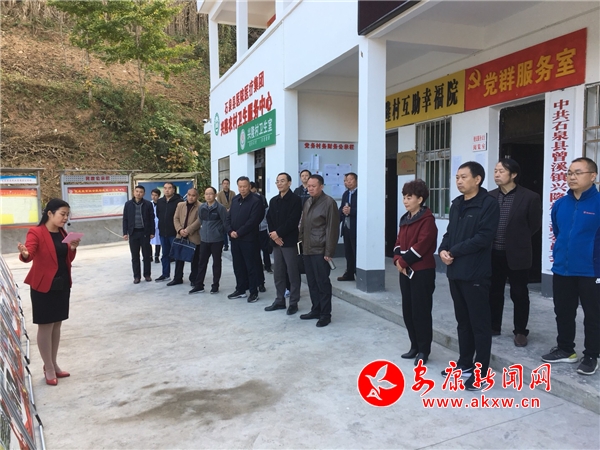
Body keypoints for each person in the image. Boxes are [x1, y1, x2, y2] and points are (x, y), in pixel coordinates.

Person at [438, 161, 499, 390]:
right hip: (455, 272)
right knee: (463, 322)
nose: (459, 181)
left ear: (478, 179)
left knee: (479, 325)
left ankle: (481, 372)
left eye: (464, 177)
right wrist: (443, 250)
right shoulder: (457, 204)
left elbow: (484, 237)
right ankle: (464, 363)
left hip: (475, 274)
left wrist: (454, 251)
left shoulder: (488, 204)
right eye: (457, 177)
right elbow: (449, 233)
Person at [542, 157, 600, 376]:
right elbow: (558, 232)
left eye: (578, 173)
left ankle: (592, 355)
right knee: (563, 311)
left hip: (591, 270)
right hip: (562, 269)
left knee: (593, 315)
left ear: (593, 176)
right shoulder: (560, 204)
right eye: (569, 173)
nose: (571, 177)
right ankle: (566, 349)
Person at [17, 199, 81, 386]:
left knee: (57, 325)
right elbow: (30, 253)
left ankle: (53, 363)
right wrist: (25, 254)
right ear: (50, 213)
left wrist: (72, 248)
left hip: (62, 284)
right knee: (45, 326)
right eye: (62, 214)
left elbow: (66, 258)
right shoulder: (36, 232)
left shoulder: (62, 232)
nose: (65, 218)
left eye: (67, 214)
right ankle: (49, 367)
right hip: (43, 286)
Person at [488, 159, 542, 347]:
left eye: (501, 171)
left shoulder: (530, 197)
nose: (496, 174)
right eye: (495, 171)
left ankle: (520, 331)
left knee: (519, 293)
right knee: (494, 291)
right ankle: (493, 326)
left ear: (513, 174)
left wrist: (517, 240)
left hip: (517, 254)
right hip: (493, 253)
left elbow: (534, 225)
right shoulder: (489, 196)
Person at [393, 179, 438, 366]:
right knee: (408, 310)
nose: (405, 201)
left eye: (409, 197)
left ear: (420, 199)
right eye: (404, 197)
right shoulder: (405, 219)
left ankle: (424, 350)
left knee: (421, 312)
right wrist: (397, 259)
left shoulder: (427, 220)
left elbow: (422, 245)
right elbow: (398, 243)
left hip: (422, 272)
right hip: (405, 271)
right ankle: (414, 345)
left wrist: (403, 261)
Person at [299, 174, 339, 327]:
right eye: (308, 186)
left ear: (321, 186)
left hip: (320, 250)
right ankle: (315, 309)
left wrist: (329, 252)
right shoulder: (308, 202)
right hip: (307, 249)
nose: (310, 189)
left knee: (322, 283)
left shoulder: (329, 203)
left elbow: (332, 229)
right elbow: (303, 225)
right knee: (312, 282)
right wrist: (300, 244)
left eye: (313, 186)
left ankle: (325, 314)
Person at [264, 173, 303, 315]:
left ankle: (293, 302)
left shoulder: (295, 200)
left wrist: (278, 233)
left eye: (282, 181)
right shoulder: (274, 200)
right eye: (277, 181)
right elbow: (269, 219)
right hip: (276, 242)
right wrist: (274, 236)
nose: (279, 184)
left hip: (289, 242)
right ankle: (279, 300)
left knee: (292, 273)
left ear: (289, 183)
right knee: (278, 273)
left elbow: (293, 221)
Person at [226, 176, 265, 303]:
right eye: (240, 186)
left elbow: (253, 221)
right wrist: (230, 231)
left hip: (249, 239)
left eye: (245, 186)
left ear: (249, 187)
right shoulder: (235, 199)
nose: (242, 189)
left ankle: (253, 292)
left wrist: (239, 232)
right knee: (238, 265)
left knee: (251, 266)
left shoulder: (256, 201)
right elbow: (228, 217)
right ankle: (240, 289)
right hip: (235, 239)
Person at [190, 187, 227, 295]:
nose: (208, 196)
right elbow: (201, 220)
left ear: (215, 195)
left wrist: (218, 231)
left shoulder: (220, 208)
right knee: (202, 263)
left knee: (216, 263)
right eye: (206, 194)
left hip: (216, 240)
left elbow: (225, 222)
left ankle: (215, 285)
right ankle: (199, 285)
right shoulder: (202, 207)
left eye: (210, 194)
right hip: (204, 240)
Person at [168, 188, 201, 286]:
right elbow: (176, 218)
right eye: (189, 195)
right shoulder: (180, 205)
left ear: (197, 196)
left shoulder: (201, 206)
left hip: (194, 235)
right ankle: (177, 278)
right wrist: (180, 230)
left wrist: (188, 230)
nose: (191, 197)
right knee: (179, 258)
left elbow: (199, 220)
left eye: (193, 195)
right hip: (181, 235)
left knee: (195, 260)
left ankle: (194, 279)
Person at [122, 185, 155, 284]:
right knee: (135, 257)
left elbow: (152, 219)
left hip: (145, 233)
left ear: (144, 194)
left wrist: (152, 232)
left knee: (146, 256)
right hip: (133, 233)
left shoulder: (148, 204)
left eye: (141, 192)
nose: (138, 193)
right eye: (137, 191)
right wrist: (125, 233)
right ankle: (136, 276)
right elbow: (125, 219)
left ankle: (147, 275)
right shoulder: (128, 204)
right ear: (134, 192)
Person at [155, 182, 183, 282]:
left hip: (175, 233)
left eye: (169, 188)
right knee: (165, 254)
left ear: (173, 190)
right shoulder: (160, 201)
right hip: (163, 232)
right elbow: (158, 215)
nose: (167, 190)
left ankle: (178, 277)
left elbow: (181, 217)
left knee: (177, 255)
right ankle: (165, 274)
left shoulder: (179, 202)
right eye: (165, 188)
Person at [338, 172, 358, 281]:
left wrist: (352, 211)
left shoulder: (360, 193)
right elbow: (341, 208)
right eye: (345, 180)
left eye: (350, 180)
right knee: (348, 252)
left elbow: (364, 209)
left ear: (356, 181)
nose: (347, 182)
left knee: (356, 252)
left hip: (355, 227)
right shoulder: (346, 194)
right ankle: (349, 273)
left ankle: (358, 273)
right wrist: (342, 211)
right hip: (346, 226)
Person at [251, 181, 272, 276]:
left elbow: (267, 212)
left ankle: (268, 266)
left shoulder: (262, 198)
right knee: (255, 250)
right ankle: (258, 267)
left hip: (262, 228)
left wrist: (265, 224)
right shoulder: (248, 199)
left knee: (265, 249)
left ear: (254, 188)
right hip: (252, 230)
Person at [216, 178, 236, 251]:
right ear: (222, 184)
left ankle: (232, 240)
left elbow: (235, 202)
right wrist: (225, 209)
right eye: (224, 183)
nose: (226, 185)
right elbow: (219, 203)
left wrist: (230, 208)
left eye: (227, 183)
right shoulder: (219, 194)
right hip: (223, 213)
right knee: (224, 229)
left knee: (232, 227)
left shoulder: (232, 193)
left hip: (232, 212)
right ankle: (226, 245)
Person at [150, 188, 162, 263]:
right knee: (149, 241)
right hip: (151, 224)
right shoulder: (149, 204)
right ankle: (150, 256)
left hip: (159, 224)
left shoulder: (161, 204)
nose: (154, 197)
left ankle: (157, 256)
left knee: (158, 241)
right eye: (152, 195)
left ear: (159, 196)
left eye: (156, 195)